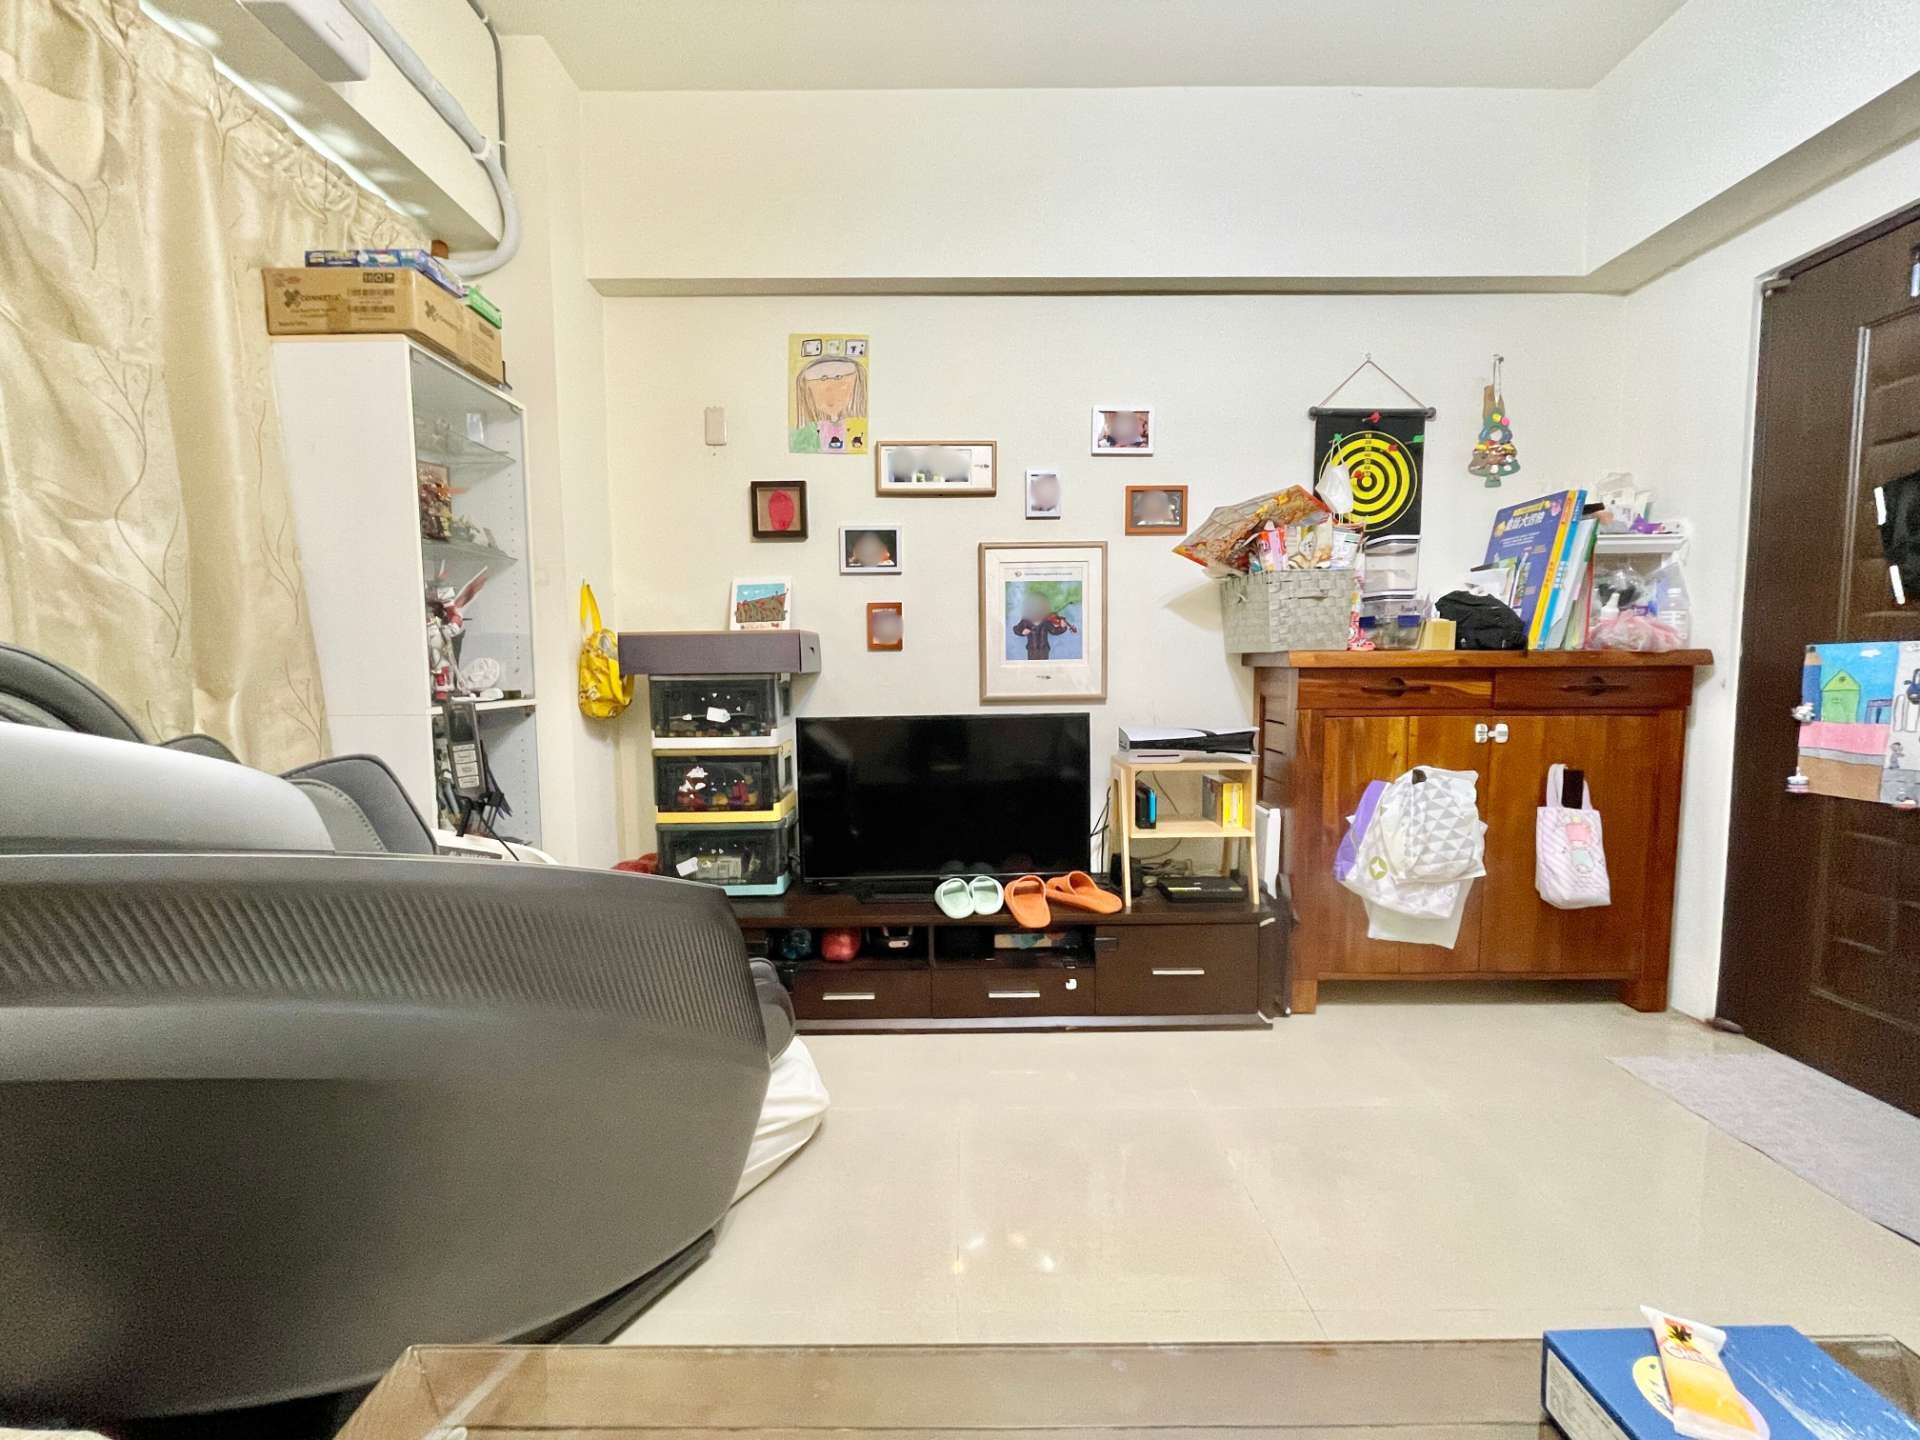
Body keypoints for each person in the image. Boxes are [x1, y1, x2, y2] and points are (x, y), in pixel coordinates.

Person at [1011, 589, 1074, 660]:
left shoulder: (1046, 621)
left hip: (1044, 650)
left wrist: (1063, 627)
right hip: (1031, 650)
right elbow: (1016, 629)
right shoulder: (1026, 621)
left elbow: (1054, 631)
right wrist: (1022, 632)